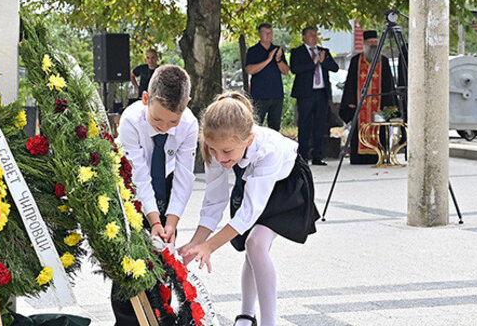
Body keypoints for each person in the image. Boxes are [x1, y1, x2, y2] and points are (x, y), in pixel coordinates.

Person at [179, 93, 318, 326]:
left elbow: (250, 212)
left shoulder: (268, 149)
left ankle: (268, 322)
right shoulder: (214, 148)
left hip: (286, 186)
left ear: (249, 140)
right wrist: (196, 244)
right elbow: (214, 200)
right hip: (253, 182)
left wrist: (210, 246)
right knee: (252, 250)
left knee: (256, 243)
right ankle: (246, 315)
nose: (219, 157)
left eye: (226, 152)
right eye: (213, 149)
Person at [113, 64, 199, 326]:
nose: (164, 127)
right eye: (158, 119)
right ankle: (127, 320)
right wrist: (154, 220)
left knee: (163, 257)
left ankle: (160, 315)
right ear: (146, 99)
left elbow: (185, 177)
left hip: (167, 183)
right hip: (129, 188)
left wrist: (169, 222)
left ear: (186, 104)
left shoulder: (189, 125)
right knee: (129, 257)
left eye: (172, 121)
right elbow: (138, 177)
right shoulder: (131, 121)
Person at [340, 30, 396, 165]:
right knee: (358, 129)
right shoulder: (356, 61)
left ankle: (379, 157)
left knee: (379, 129)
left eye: (375, 43)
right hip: (360, 105)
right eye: (370, 43)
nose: (373, 45)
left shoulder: (383, 61)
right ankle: (359, 158)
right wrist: (350, 102)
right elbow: (350, 84)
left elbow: (389, 84)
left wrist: (388, 104)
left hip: (378, 105)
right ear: (364, 44)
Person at [288, 27, 338, 165]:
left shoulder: (324, 51)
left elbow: (335, 68)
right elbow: (295, 69)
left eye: (315, 35)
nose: (314, 37)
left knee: (320, 125)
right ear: (303, 37)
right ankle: (303, 156)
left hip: (321, 92)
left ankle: (318, 156)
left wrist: (323, 61)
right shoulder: (297, 52)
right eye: (311, 35)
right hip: (305, 94)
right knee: (304, 125)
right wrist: (313, 63)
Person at [243, 24, 289, 130]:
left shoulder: (277, 50)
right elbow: (249, 70)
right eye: (266, 33)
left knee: (275, 127)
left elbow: (286, 71)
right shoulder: (253, 50)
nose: (269, 35)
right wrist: (268, 60)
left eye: (271, 33)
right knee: (256, 127)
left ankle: (273, 147)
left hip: (277, 95)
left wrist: (278, 59)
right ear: (259, 35)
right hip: (259, 95)